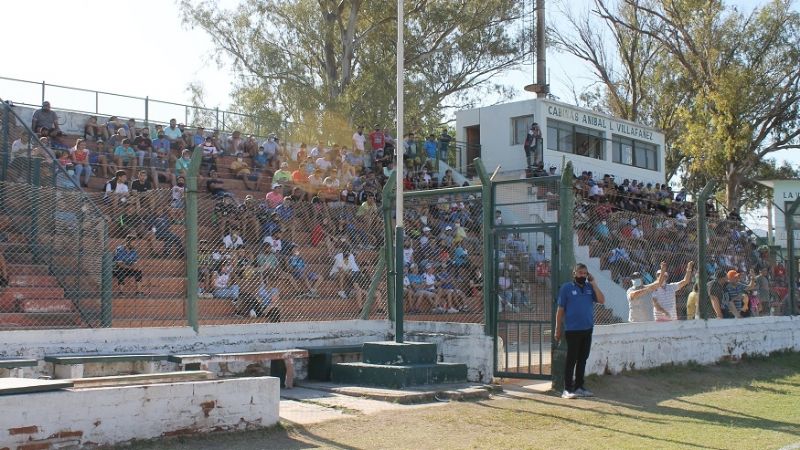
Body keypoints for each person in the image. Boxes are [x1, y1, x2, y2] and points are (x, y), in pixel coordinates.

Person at [555, 263, 606, 399]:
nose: (582, 275)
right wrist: (557, 330)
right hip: (572, 330)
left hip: (587, 330)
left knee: (583, 359)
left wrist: (594, 283)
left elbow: (602, 300)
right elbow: (560, 311)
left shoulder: (590, 288)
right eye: (580, 272)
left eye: (585, 273)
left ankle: (579, 387)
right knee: (571, 360)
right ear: (574, 273)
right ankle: (567, 389)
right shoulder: (566, 288)